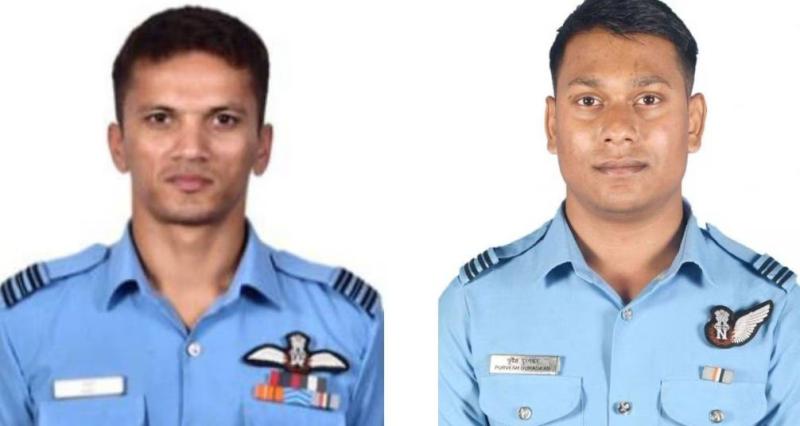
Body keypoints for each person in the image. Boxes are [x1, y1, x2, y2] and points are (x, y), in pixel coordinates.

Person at [0, 6, 382, 426]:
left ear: (262, 146)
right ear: (118, 145)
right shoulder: (22, 326)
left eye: (223, 120)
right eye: (160, 119)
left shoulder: (352, 326)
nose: (191, 148)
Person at [438, 0, 798, 424]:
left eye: (648, 99)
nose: (619, 130)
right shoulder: (472, 307)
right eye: (589, 100)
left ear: (693, 122)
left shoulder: (778, 308)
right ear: (553, 125)